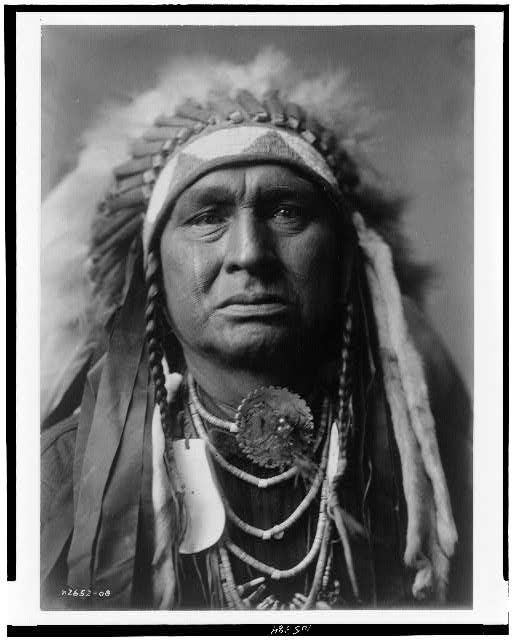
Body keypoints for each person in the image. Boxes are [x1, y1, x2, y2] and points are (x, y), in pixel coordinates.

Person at [40, 83, 472, 610]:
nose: (250, 253)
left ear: (341, 261)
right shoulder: (56, 486)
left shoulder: (451, 479)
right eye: (207, 217)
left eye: (286, 211)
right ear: (153, 270)